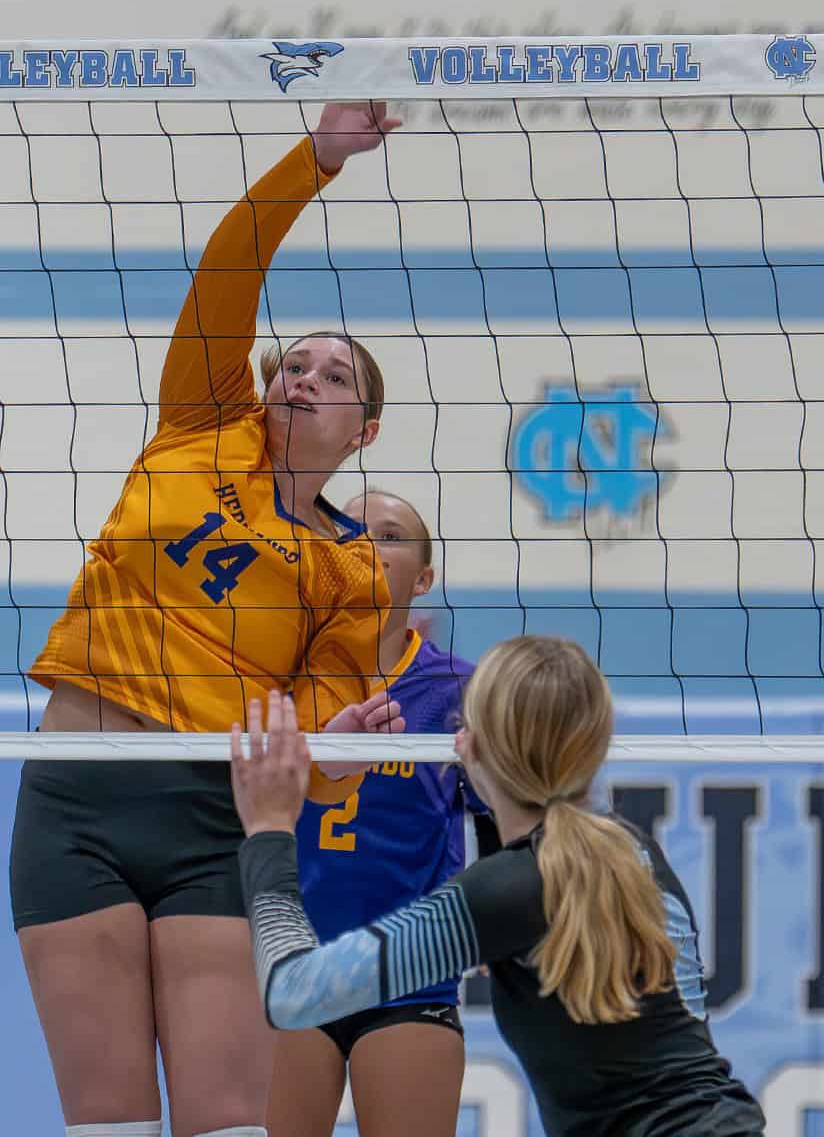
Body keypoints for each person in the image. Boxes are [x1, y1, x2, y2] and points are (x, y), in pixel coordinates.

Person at [9, 101, 405, 1137]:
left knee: (224, 1121)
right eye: (293, 362)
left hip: (205, 816)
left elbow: (310, 750)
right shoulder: (200, 425)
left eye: (333, 376)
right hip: (76, 794)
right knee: (105, 1121)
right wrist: (318, 158)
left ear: (361, 431)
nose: (300, 376)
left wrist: (341, 749)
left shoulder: (350, 570)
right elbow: (229, 271)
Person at [232, 636, 767, 1137]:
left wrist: (270, 828)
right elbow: (692, 1027)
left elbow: (293, 994)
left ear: (470, 744)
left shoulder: (501, 893)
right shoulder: (634, 853)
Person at [268, 489, 490, 1137]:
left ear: (424, 577)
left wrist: (498, 919)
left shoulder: (461, 689)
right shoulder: (276, 674)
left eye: (389, 534)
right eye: (352, 531)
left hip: (407, 974)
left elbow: (504, 823)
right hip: (292, 968)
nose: (367, 542)